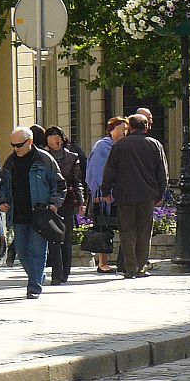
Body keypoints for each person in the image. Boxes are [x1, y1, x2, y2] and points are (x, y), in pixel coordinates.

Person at [0, 126, 65, 299]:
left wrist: (53, 203)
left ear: (30, 142)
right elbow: (3, 185)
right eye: (13, 145)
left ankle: (34, 286)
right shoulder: (10, 162)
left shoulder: (44, 160)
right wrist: (3, 201)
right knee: (21, 250)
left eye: (19, 145)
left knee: (37, 250)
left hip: (40, 213)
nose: (15, 148)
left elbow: (59, 184)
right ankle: (37, 275)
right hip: (18, 213)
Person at [101, 114, 169, 279]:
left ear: (129, 127)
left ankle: (130, 267)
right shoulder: (155, 145)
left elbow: (110, 170)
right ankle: (140, 266)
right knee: (144, 232)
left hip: (124, 195)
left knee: (126, 231)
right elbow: (163, 172)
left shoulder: (120, 145)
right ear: (146, 127)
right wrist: (160, 193)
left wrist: (106, 191)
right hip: (147, 195)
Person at [44, 126, 86, 285]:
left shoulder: (72, 157)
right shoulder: (43, 156)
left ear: (62, 138)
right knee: (53, 238)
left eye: (56, 136)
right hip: (50, 201)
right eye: (50, 136)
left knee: (66, 237)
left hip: (68, 201)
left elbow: (77, 181)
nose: (53, 139)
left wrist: (81, 202)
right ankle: (56, 273)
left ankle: (65, 271)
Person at [86, 116, 129, 273]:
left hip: (117, 194)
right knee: (102, 227)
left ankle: (122, 262)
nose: (125, 132)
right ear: (112, 129)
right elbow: (99, 172)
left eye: (126, 130)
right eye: (122, 129)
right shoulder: (103, 146)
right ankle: (102, 263)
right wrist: (105, 192)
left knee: (122, 226)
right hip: (103, 196)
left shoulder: (121, 146)